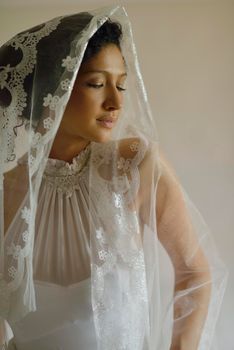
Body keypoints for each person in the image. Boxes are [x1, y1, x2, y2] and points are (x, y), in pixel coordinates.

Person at [0, 5, 228, 350]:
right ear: (52, 91)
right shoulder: (9, 192)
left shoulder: (133, 166)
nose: (115, 102)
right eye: (96, 83)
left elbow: (195, 273)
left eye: (121, 85)